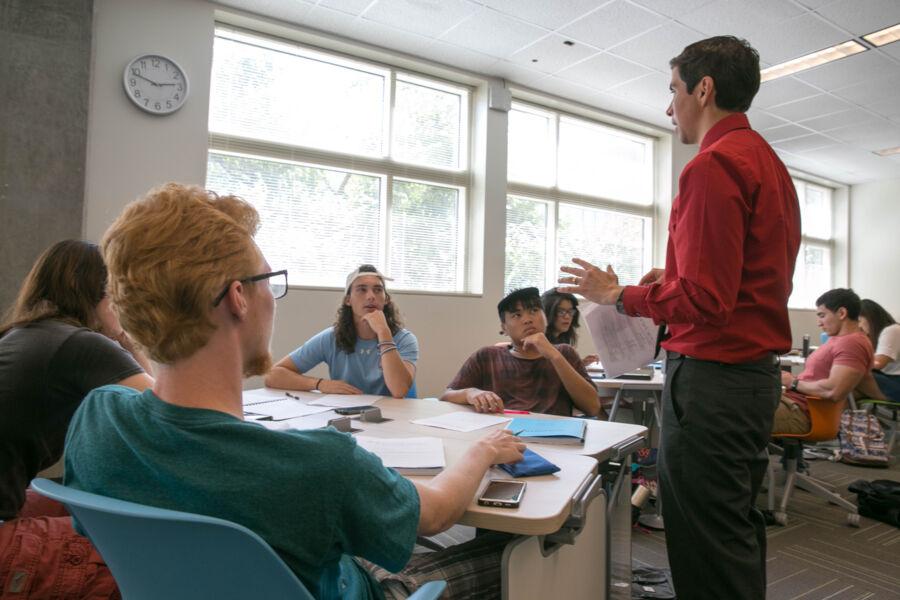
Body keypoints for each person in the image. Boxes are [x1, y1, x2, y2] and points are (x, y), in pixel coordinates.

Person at [63, 183, 525, 599]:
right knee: (516, 546)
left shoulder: (96, 419)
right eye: (269, 281)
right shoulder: (321, 465)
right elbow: (439, 512)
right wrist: (482, 451)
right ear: (238, 297)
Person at [559, 36, 801, 600]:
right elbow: (734, 285)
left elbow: (706, 300)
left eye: (673, 90)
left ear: (704, 88)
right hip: (749, 379)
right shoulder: (768, 163)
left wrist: (621, 295)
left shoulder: (712, 167)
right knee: (732, 528)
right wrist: (661, 284)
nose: (670, 107)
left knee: (703, 538)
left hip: (714, 381)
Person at [0, 240, 153, 598]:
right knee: (142, 553)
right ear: (102, 294)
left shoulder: (20, 334)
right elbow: (164, 411)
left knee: (86, 506)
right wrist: (127, 338)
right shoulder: (80, 344)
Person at [441, 287, 600, 417]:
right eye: (517, 315)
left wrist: (554, 356)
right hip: (502, 437)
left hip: (554, 439)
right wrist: (471, 392)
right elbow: (446, 396)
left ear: (545, 317)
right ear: (504, 327)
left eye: (534, 310)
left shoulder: (564, 353)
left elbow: (592, 407)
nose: (527, 319)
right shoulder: (487, 356)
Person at [266, 265, 418, 398]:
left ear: (386, 300)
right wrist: (319, 384)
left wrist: (383, 332)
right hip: (348, 415)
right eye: (361, 290)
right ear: (348, 300)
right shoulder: (332, 337)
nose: (371, 296)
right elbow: (273, 376)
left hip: (392, 418)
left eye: (378, 290)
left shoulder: (405, 339)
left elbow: (399, 390)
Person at [775, 289, 882, 433]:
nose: (819, 323)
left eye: (822, 315)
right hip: (793, 402)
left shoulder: (852, 343)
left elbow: (834, 390)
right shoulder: (838, 339)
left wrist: (793, 382)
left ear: (842, 313)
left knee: (737, 414)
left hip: (802, 411)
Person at [541, 288, 599, 366]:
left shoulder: (562, 338)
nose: (567, 316)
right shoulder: (540, 343)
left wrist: (581, 364)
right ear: (548, 313)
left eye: (570, 311)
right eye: (561, 312)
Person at [859, 298, 900, 402]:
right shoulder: (874, 336)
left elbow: (878, 363)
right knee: (848, 392)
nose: (858, 326)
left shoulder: (892, 330)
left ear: (871, 317)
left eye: (859, 320)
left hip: (896, 382)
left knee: (852, 374)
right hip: (889, 380)